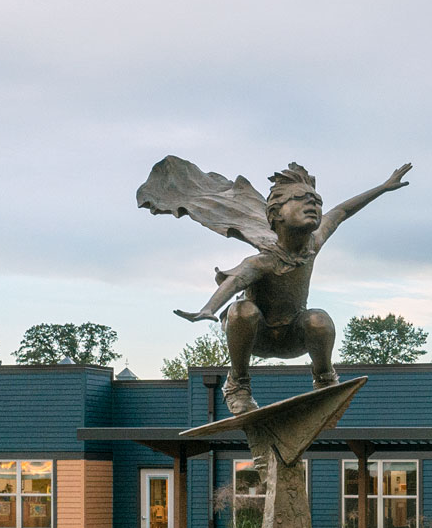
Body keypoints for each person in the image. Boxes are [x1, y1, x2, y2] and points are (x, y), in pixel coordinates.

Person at [138, 157, 411, 414]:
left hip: (293, 335)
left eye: (316, 201)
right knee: (242, 310)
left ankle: (325, 379)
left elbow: (341, 211)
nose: (313, 205)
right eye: (301, 200)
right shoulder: (263, 261)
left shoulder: (313, 244)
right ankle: (239, 384)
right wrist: (208, 309)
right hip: (257, 335)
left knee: (319, 319)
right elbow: (235, 282)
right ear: (277, 214)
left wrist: (383, 188)